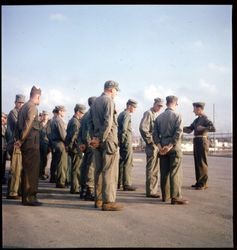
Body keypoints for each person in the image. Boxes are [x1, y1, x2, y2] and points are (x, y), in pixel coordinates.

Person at [90, 80, 123, 211]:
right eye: (116, 90)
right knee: (109, 171)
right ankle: (108, 201)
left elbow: (91, 123)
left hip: (98, 141)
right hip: (108, 141)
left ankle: (98, 200)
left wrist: (95, 138)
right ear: (111, 89)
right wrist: (102, 139)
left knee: (98, 171)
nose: (116, 93)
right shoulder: (109, 101)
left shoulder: (95, 102)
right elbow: (108, 122)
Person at [153, 95, 188, 205]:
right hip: (173, 147)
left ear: (167, 103)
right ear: (175, 104)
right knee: (175, 172)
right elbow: (178, 132)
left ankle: (165, 196)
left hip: (162, 147)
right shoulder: (178, 115)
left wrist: (160, 147)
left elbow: (154, 134)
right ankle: (176, 197)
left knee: (164, 172)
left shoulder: (159, 117)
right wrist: (170, 146)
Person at [14, 86, 42, 206]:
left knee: (27, 169)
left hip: (26, 143)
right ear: (38, 96)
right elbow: (28, 123)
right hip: (31, 143)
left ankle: (27, 196)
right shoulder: (32, 107)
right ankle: (30, 197)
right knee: (32, 171)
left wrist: (18, 140)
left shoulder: (24, 107)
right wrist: (21, 139)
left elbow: (18, 126)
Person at [183, 102, 216, 190]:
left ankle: (203, 183)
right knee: (197, 162)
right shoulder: (197, 120)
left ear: (199, 109)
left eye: (194, 109)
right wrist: (179, 127)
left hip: (202, 141)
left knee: (202, 162)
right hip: (197, 141)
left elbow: (213, 128)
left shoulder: (205, 119)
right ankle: (199, 182)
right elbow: (190, 129)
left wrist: (203, 128)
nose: (193, 111)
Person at [139, 97, 164, 198]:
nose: (159, 108)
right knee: (151, 168)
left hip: (156, 145)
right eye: (158, 105)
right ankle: (150, 191)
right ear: (154, 104)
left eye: (161, 106)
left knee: (155, 169)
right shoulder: (148, 113)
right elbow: (143, 128)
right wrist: (150, 141)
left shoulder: (156, 114)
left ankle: (152, 189)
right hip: (151, 145)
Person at [6, 94, 25, 199]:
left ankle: (17, 190)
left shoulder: (20, 113)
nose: (21, 105)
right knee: (14, 170)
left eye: (22, 103)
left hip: (18, 145)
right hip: (14, 145)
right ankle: (12, 192)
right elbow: (19, 126)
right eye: (19, 103)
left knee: (19, 169)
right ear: (15, 103)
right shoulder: (13, 113)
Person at [78, 96, 97, 201]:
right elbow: (87, 132)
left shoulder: (85, 115)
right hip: (91, 144)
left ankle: (83, 190)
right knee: (91, 167)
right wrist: (90, 142)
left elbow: (80, 132)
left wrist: (82, 143)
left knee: (85, 167)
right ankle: (89, 190)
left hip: (86, 144)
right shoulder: (92, 114)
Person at [65, 104, 86, 194]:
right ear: (77, 112)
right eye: (81, 113)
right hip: (75, 148)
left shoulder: (72, 121)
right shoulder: (76, 122)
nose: (82, 115)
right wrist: (71, 146)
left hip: (72, 148)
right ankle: (75, 188)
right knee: (76, 169)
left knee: (74, 168)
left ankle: (74, 187)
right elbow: (74, 136)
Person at [117, 99, 138, 191]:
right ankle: (127, 184)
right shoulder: (126, 115)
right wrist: (123, 141)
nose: (134, 109)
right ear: (129, 106)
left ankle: (119, 182)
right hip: (126, 142)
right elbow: (124, 129)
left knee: (121, 162)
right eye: (134, 107)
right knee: (128, 162)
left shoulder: (121, 114)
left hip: (122, 141)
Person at [50, 105, 68, 188]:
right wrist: (68, 143)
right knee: (62, 163)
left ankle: (58, 180)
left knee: (58, 162)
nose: (64, 112)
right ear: (60, 111)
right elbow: (63, 135)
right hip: (60, 143)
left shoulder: (54, 120)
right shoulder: (59, 121)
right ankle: (60, 182)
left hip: (55, 143)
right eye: (63, 111)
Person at [39, 110, 51, 180]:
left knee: (46, 160)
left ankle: (45, 173)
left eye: (46, 115)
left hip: (47, 144)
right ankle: (41, 173)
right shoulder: (39, 124)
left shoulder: (50, 124)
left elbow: (51, 135)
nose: (45, 116)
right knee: (40, 160)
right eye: (44, 115)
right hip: (40, 144)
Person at [2, 112, 8, 184]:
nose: (3, 119)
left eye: (5, 118)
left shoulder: (5, 126)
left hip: (4, 147)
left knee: (3, 163)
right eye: (2, 117)